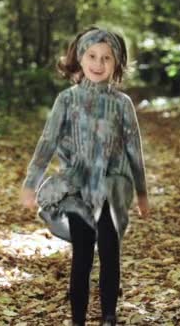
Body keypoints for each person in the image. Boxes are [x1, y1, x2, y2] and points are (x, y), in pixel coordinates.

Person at [19, 26, 150, 325]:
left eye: (107, 58)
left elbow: (134, 151)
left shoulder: (122, 104)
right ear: (80, 58)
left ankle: (109, 316)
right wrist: (31, 183)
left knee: (109, 250)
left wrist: (142, 193)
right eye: (92, 56)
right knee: (82, 255)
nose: (98, 63)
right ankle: (77, 318)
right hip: (75, 189)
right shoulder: (67, 100)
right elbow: (47, 142)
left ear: (116, 64)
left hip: (113, 189)